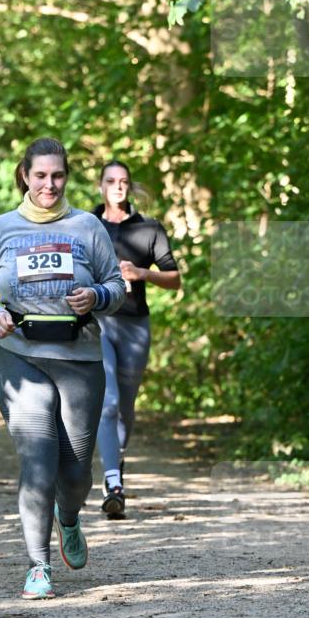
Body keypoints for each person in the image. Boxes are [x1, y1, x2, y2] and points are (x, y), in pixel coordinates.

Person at [0, 137, 125, 600]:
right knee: (37, 460)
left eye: (57, 176)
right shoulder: (1, 229)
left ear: (66, 178)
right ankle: (39, 565)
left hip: (80, 359)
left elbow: (116, 286)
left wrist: (95, 296)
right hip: (20, 356)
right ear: (25, 176)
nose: (49, 184)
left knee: (75, 472)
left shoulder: (87, 226)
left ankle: (69, 518)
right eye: (40, 175)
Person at [92, 159, 180, 520]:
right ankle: (114, 484)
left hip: (134, 325)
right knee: (107, 402)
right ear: (101, 186)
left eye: (123, 181)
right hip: (97, 323)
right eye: (111, 181)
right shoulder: (86, 224)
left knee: (125, 406)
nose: (118, 187)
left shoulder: (149, 228)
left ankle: (117, 457)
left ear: (130, 186)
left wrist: (142, 272)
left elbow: (174, 278)